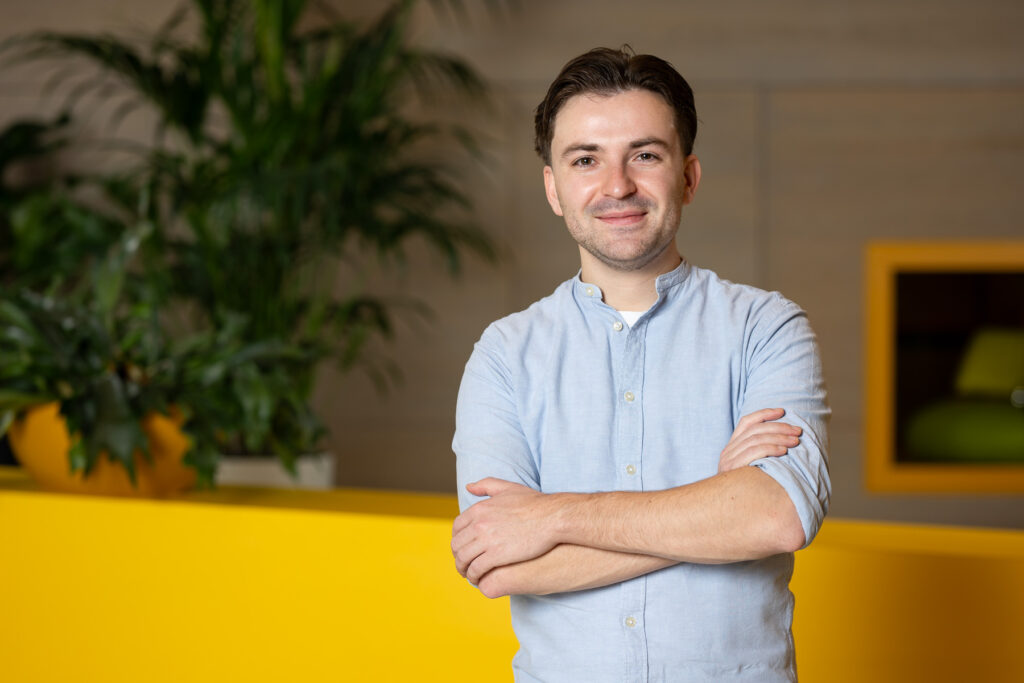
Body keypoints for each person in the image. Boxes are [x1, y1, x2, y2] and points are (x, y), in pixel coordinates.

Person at [450, 46, 830, 683]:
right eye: (585, 160)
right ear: (553, 188)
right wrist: (713, 502)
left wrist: (553, 517)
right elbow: (499, 563)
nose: (618, 185)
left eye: (645, 155)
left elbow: (776, 516)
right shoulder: (503, 355)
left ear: (689, 177)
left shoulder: (767, 328)